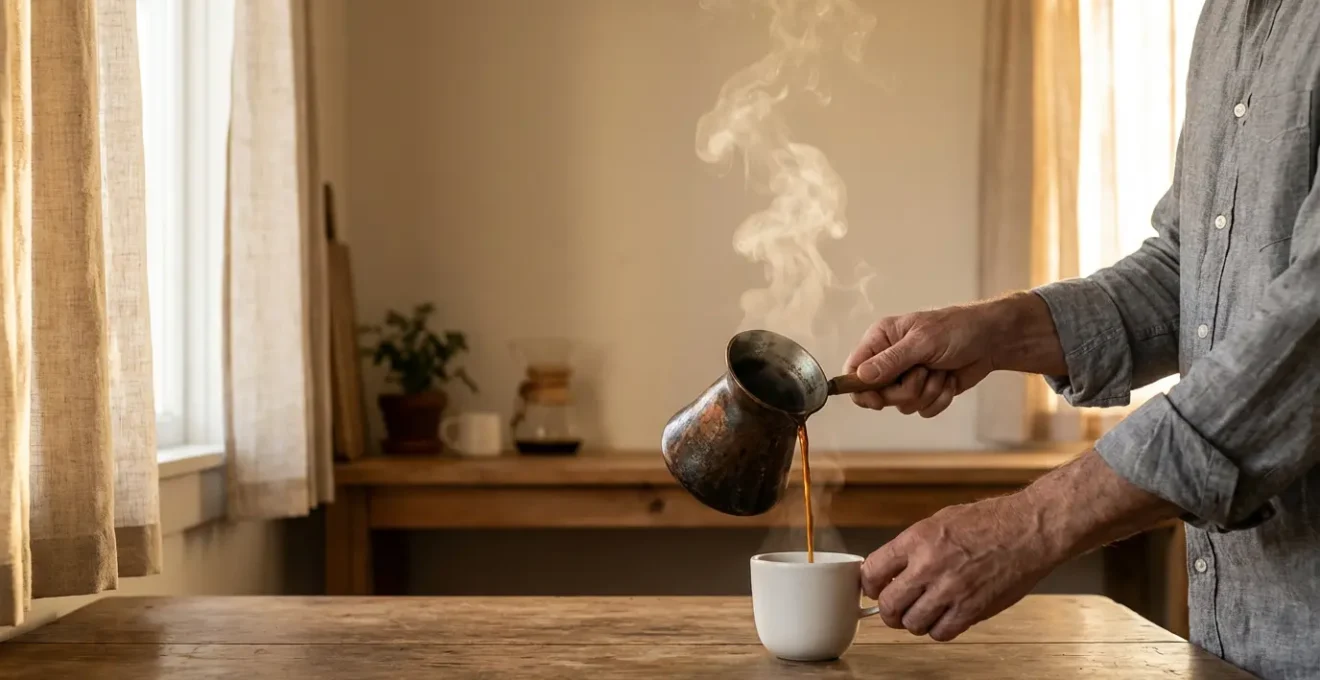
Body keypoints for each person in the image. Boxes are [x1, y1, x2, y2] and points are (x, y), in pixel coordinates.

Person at [843, 2, 1319, 678]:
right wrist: (995, 330)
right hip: (1237, 641)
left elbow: (1306, 339)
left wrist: (1035, 522)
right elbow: (1187, 269)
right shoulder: (1226, 20)